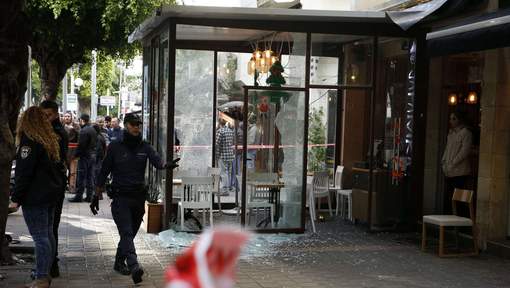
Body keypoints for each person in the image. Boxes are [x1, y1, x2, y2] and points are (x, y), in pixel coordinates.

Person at [92, 113, 179, 284]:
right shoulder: (115, 146)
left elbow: (158, 162)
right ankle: (134, 266)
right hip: (121, 197)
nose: (136, 127)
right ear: (125, 125)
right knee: (126, 231)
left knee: (129, 234)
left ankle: (118, 262)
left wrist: (166, 165)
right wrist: (96, 196)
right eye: (133, 124)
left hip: (138, 198)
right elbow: (103, 172)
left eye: (138, 124)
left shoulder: (145, 146)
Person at [10, 107, 65, 288]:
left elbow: (24, 173)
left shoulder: (29, 142)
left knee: (40, 237)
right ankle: (43, 272)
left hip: (35, 196)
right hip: (50, 195)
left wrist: (16, 198)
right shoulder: (50, 140)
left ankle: (41, 276)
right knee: (47, 235)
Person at [40, 100, 68, 278]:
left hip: (54, 185)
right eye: (43, 115)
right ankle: (50, 263)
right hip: (51, 184)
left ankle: (51, 263)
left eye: (48, 115)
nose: (45, 118)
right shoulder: (47, 131)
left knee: (50, 227)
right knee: (48, 227)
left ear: (56, 114)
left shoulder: (57, 133)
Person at [442, 110, 473, 214]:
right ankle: (448, 222)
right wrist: (444, 161)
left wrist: (453, 162)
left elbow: (464, 151)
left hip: (460, 172)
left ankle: (459, 224)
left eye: (454, 118)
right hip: (449, 171)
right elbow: (447, 148)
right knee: (448, 197)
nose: (451, 121)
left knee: (458, 199)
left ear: (460, 119)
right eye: (450, 118)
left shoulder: (466, 133)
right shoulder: (451, 133)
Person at [69, 114, 98, 202]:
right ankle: (89, 196)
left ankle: (79, 196)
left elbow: (81, 145)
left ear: (82, 120)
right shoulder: (93, 129)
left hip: (85, 156)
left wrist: (75, 155)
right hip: (92, 155)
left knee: (81, 177)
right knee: (90, 176)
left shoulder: (84, 131)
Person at [216, 119, 235, 194]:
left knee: (223, 173)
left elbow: (216, 143)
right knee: (228, 172)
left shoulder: (220, 131)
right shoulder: (230, 131)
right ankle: (228, 187)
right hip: (230, 154)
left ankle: (224, 190)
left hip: (222, 155)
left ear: (219, 123)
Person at [63, 112, 80, 193]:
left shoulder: (76, 126)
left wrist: (73, 129)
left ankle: (72, 187)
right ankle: (62, 186)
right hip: (63, 152)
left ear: (71, 117)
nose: (67, 118)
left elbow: (80, 136)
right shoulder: (61, 126)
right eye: (65, 116)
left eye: (68, 116)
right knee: (62, 171)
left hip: (74, 152)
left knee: (73, 172)